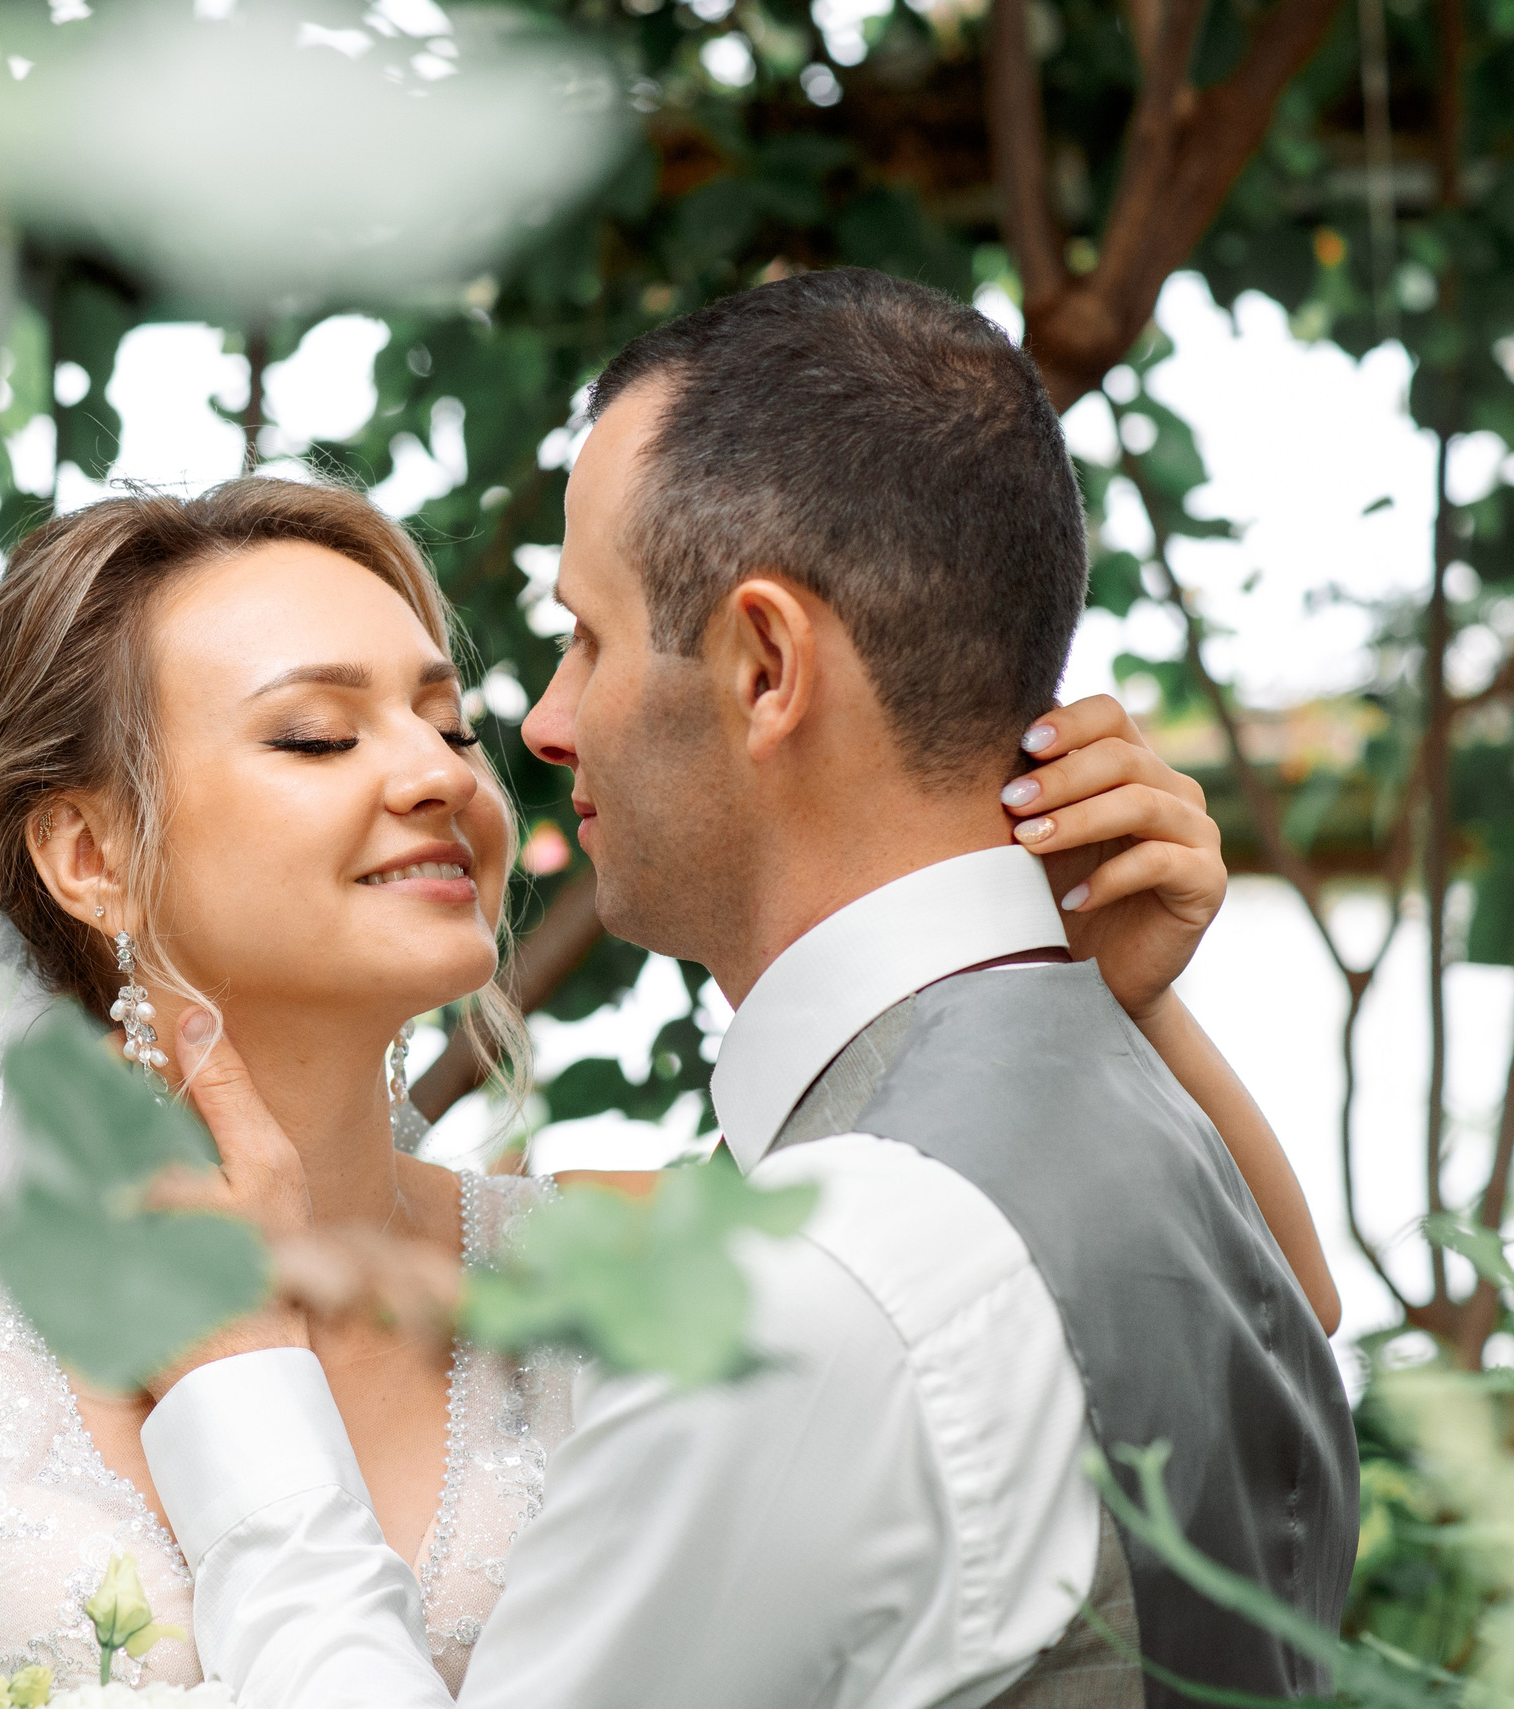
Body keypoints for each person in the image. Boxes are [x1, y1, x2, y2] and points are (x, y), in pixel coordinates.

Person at [0, 466, 1328, 1709]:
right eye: (319, 737)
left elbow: (1217, 1319)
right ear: (92, 852)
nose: (437, 776)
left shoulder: (637, 1263)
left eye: (447, 723)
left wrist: (1119, 1006)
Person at [132, 270, 1357, 1708]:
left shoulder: (809, 1293)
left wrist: (246, 1400)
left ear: (767, 664)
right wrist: (1115, 1007)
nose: (534, 726)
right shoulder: (1095, 1134)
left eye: (586, 638)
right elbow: (1288, 1327)